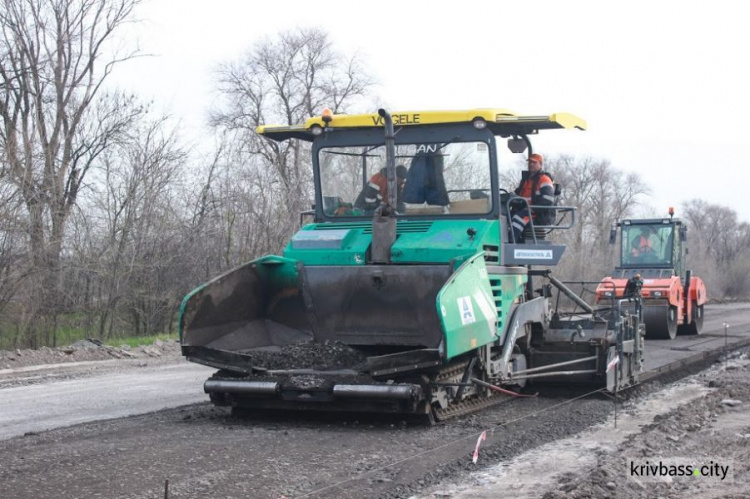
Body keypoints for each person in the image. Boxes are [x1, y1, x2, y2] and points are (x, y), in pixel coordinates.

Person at [510, 153, 555, 242]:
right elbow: (519, 193)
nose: (531, 164)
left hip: (538, 214)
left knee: (518, 218)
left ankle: (511, 242)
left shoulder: (544, 179)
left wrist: (533, 209)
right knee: (504, 216)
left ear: (540, 164)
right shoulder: (527, 180)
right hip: (525, 210)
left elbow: (548, 200)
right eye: (530, 162)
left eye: (534, 162)